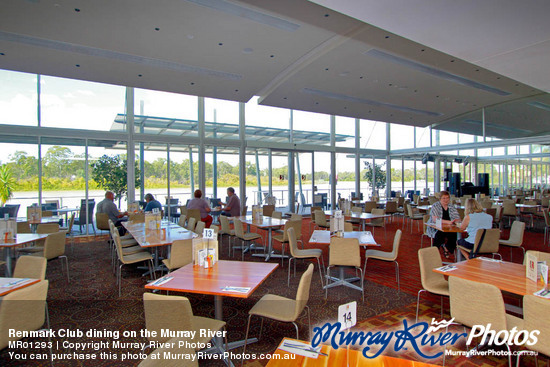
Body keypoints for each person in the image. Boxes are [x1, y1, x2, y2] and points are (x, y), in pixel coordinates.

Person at [426, 190, 461, 258]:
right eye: (444, 198)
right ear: (440, 199)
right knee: (439, 235)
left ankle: (447, 248)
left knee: (454, 234)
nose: (446, 200)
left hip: (449, 227)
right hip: (436, 227)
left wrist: (455, 221)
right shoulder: (436, 206)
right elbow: (435, 219)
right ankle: (434, 253)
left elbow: (458, 218)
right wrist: (448, 222)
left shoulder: (451, 206)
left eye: (447, 198)